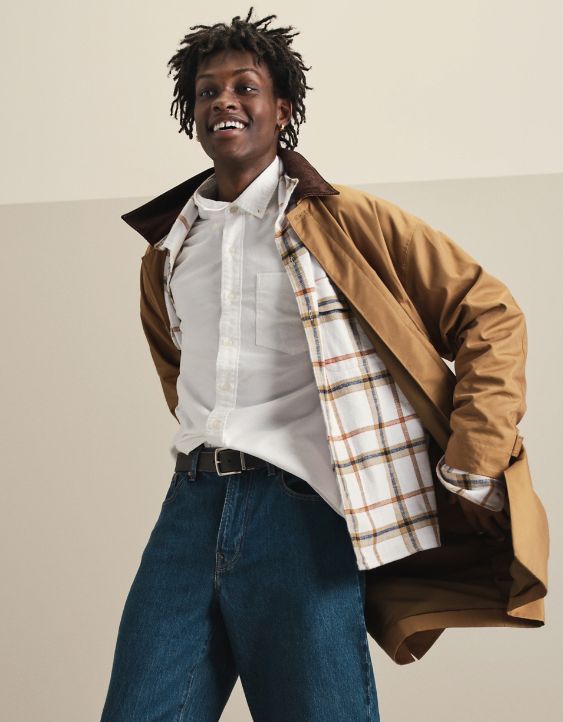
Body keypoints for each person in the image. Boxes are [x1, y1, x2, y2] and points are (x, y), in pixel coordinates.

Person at [100, 6, 548, 721]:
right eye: (208, 91)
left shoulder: (346, 221)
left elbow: (487, 310)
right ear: (192, 114)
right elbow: (178, 373)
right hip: (189, 506)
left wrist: (475, 452)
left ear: (282, 110)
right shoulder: (169, 250)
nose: (224, 101)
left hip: (301, 513)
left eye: (244, 87)